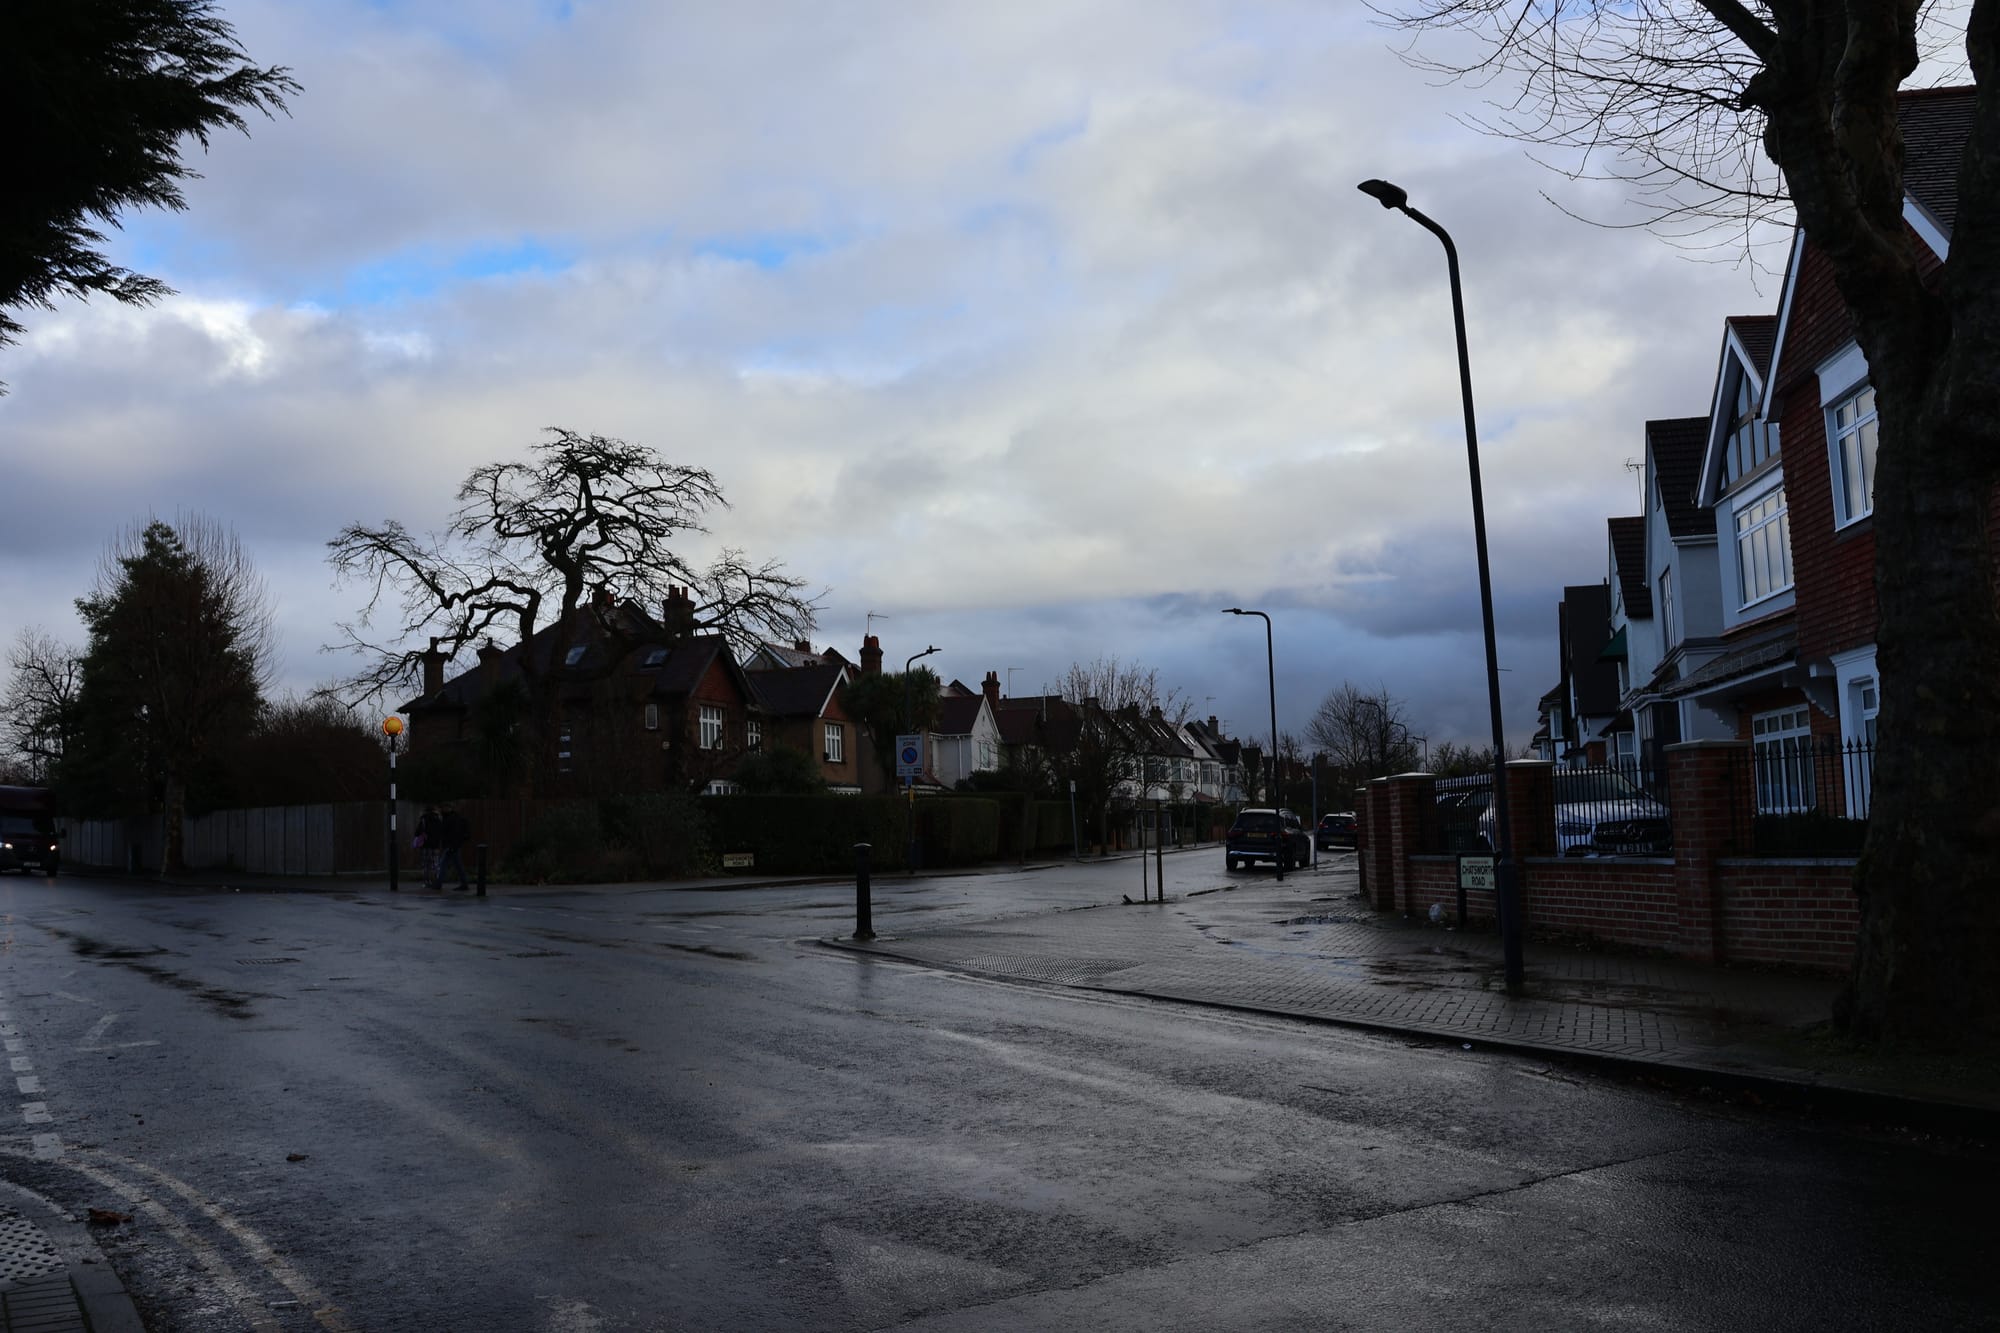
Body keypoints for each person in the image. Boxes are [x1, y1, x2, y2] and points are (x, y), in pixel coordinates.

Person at [437, 802, 472, 891]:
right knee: (457, 865)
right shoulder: (450, 818)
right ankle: (464, 884)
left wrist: (452, 845)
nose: (442, 809)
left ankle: (438, 883)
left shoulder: (452, 819)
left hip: (451, 845)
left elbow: (453, 833)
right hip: (453, 845)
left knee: (443, 864)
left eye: (444, 807)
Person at [414, 804, 445, 889]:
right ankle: (436, 881)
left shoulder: (423, 819)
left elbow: (417, 832)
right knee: (435, 864)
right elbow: (442, 832)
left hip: (425, 845)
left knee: (426, 865)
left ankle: (426, 882)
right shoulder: (438, 819)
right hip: (435, 845)